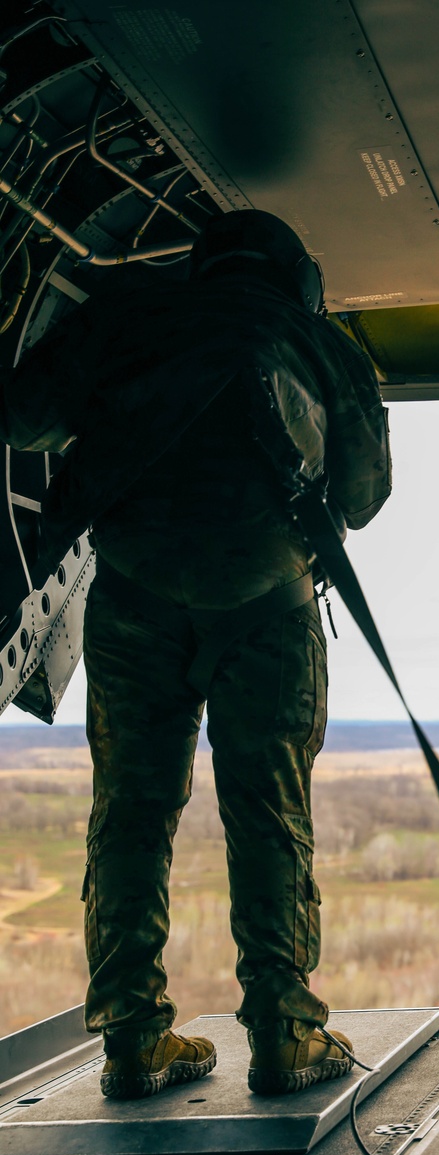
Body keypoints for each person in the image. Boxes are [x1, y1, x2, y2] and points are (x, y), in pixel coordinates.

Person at [0, 210, 391, 1100]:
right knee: (268, 811)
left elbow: (21, 418)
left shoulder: (127, 318)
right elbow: (364, 498)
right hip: (270, 606)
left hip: (134, 599)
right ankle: (287, 1034)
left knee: (131, 815)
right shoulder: (321, 343)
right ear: (297, 278)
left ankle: (135, 1041)